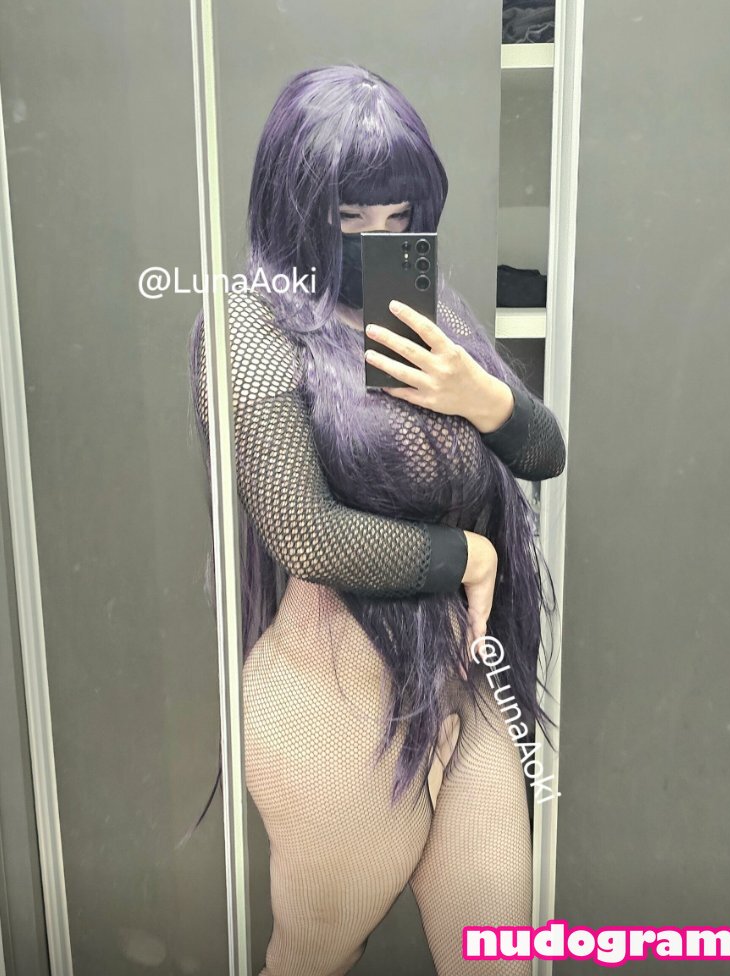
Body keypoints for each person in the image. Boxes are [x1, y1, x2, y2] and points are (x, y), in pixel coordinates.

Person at [188, 63, 565, 976]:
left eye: (400, 218)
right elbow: (304, 534)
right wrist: (469, 554)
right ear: (294, 207)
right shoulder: (250, 326)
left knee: (498, 956)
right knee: (312, 957)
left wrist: (483, 396)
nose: (379, 239)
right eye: (351, 217)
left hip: (465, 682)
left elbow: (543, 452)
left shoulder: (432, 312)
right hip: (334, 690)